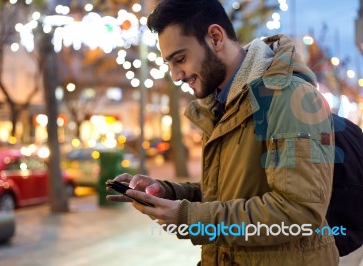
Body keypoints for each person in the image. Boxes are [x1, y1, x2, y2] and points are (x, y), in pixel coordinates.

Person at [107, 0, 338, 265]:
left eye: (180, 59)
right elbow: (229, 193)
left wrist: (189, 218)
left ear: (215, 38)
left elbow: (298, 211)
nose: (175, 75)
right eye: (169, 63)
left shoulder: (290, 97)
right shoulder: (220, 105)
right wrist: (168, 193)